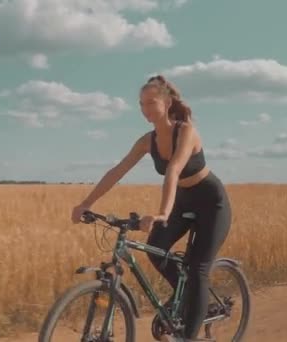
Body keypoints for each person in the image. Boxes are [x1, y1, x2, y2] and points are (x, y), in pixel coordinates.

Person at [70, 75, 232, 342]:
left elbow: (173, 170)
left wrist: (163, 214)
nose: (145, 109)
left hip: (211, 203)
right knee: (156, 250)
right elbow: (117, 170)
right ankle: (186, 299)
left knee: (198, 270)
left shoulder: (186, 132)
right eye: (141, 104)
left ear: (167, 103)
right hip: (183, 200)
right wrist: (86, 203)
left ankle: (189, 334)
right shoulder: (148, 140)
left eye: (151, 102)